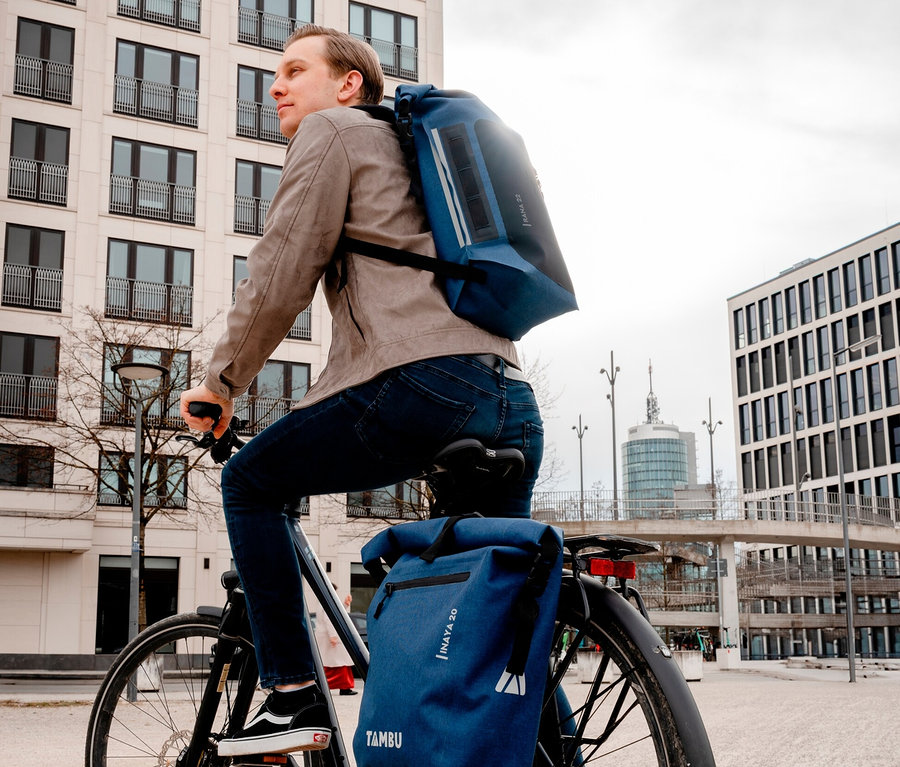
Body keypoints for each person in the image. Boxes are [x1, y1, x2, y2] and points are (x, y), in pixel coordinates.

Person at [180, 24, 543, 757]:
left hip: (421, 387)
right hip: (509, 399)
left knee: (251, 482)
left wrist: (220, 383)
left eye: (293, 70)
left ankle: (293, 697)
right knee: (502, 626)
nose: (274, 86)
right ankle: (549, 742)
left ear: (349, 84)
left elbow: (282, 269)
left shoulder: (335, 133)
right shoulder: (422, 156)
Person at [313, 589, 357, 696]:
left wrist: (345, 605)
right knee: (338, 662)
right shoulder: (326, 602)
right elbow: (329, 619)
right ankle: (343, 687)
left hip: (327, 636)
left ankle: (344, 687)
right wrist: (333, 636)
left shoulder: (323, 601)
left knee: (335, 662)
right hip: (329, 636)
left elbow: (334, 613)